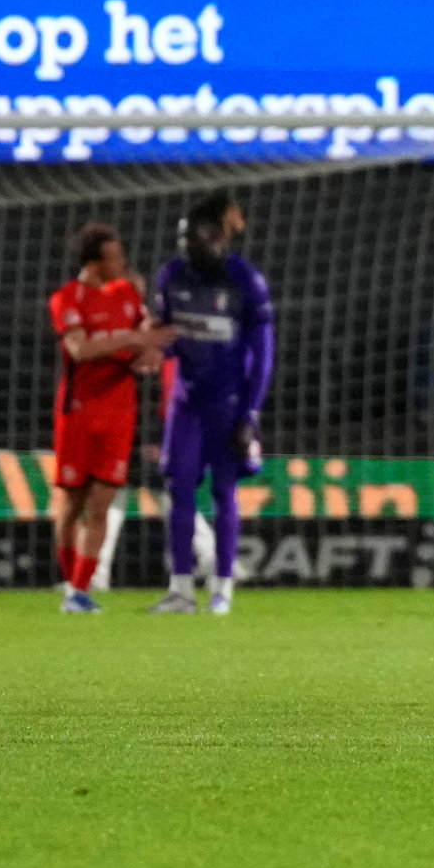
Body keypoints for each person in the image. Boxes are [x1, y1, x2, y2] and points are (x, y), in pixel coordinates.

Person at [149, 195, 275, 616]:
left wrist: (250, 416)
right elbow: (166, 336)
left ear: (218, 238)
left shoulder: (245, 281)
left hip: (229, 404)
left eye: (197, 237)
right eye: (183, 238)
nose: (188, 246)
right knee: (178, 489)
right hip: (186, 403)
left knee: (225, 492)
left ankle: (222, 588)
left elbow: (262, 356)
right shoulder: (171, 277)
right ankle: (181, 590)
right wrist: (150, 350)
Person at [47, 224, 174, 613]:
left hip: (120, 412)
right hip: (79, 411)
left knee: (102, 503)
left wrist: (149, 352)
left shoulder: (127, 294)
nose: (123, 262)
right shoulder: (67, 298)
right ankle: (72, 584)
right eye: (115, 256)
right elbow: (80, 350)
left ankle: (79, 592)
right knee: (72, 505)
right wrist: (133, 340)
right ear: (96, 263)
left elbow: (148, 338)